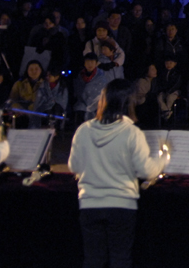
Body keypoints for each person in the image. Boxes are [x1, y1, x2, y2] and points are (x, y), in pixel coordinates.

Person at [69, 79, 169, 268]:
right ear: (128, 104)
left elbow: (74, 166)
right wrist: (163, 159)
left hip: (89, 204)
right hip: (122, 205)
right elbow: (146, 170)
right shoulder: (131, 132)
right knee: (120, 259)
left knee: (93, 260)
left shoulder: (83, 130)